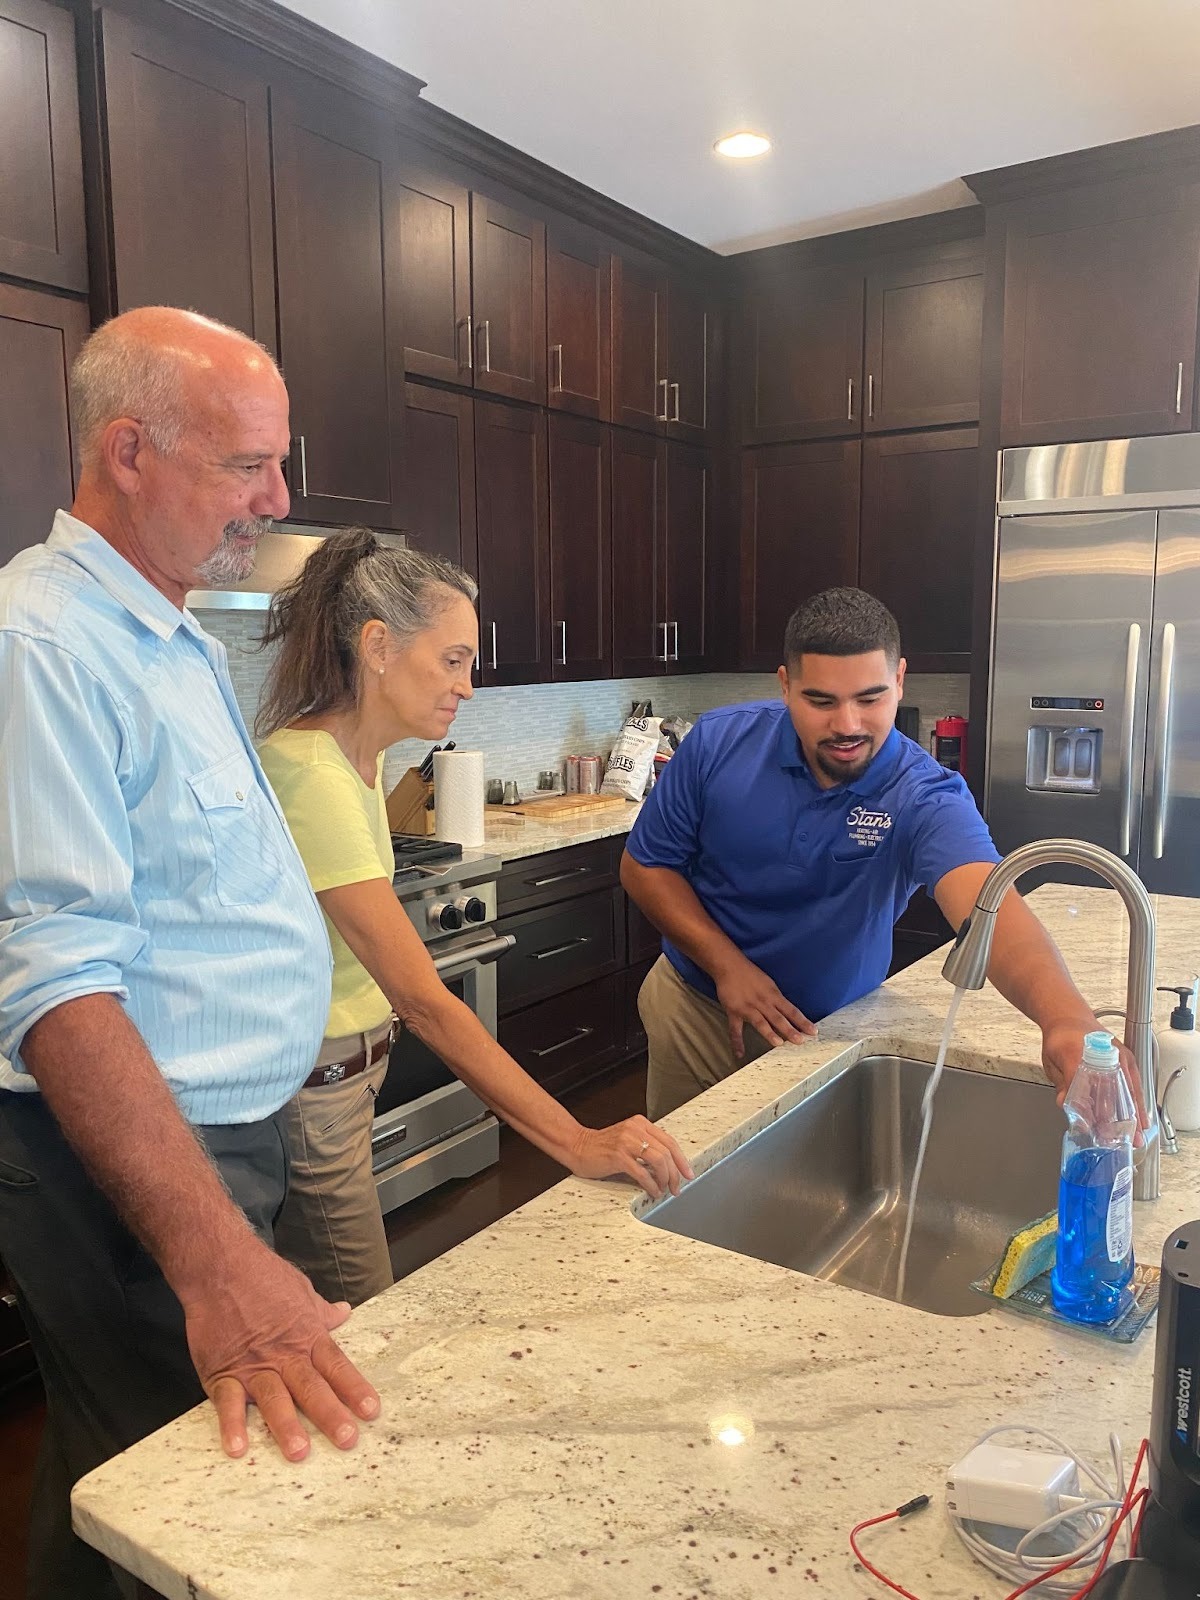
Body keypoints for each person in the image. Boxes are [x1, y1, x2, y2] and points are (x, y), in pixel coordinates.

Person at [0, 308, 381, 1600]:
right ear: (128, 453)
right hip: (125, 1156)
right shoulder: (38, 646)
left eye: (280, 464)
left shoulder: (167, 632)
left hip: (214, 1130)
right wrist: (218, 1263)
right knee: (184, 1504)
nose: (277, 500)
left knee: (120, 1475)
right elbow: (56, 983)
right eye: (245, 466)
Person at [256, 528, 693, 1308]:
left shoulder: (361, 759)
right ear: (379, 645)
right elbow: (423, 999)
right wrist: (576, 1141)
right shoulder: (310, 772)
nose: (468, 684)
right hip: (312, 1104)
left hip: (346, 1086)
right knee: (366, 1329)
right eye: (453, 659)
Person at [622, 587, 1142, 1123]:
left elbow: (989, 906)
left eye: (869, 699)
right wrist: (727, 966)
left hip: (829, 1027)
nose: (847, 725)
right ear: (785, 685)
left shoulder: (923, 794)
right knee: (680, 1182)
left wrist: (1067, 1019)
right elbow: (645, 866)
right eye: (820, 701)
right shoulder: (716, 744)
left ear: (899, 681)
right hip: (695, 1005)